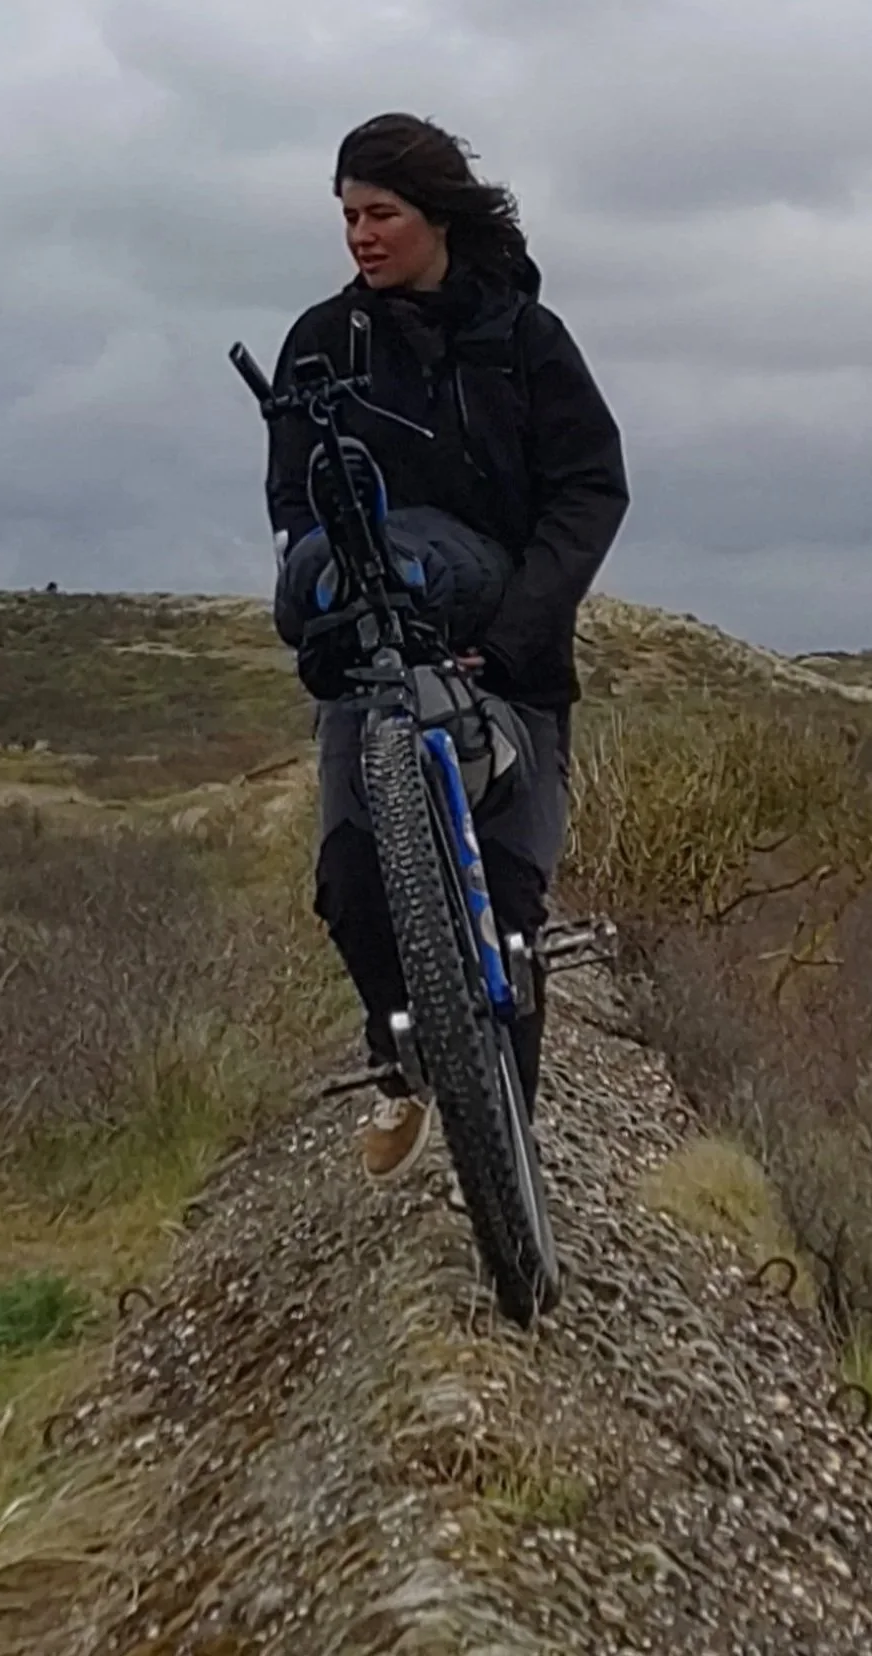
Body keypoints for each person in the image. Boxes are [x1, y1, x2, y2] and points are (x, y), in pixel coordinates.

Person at [264, 113, 629, 1181]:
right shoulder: (320, 342)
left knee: (508, 900)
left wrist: (513, 639)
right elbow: (294, 502)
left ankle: (507, 1175)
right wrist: (325, 613)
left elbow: (589, 492)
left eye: (380, 214)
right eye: (347, 216)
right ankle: (401, 1060)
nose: (359, 236)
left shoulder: (526, 342)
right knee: (351, 880)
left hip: (510, 661)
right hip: (369, 658)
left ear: (439, 217)